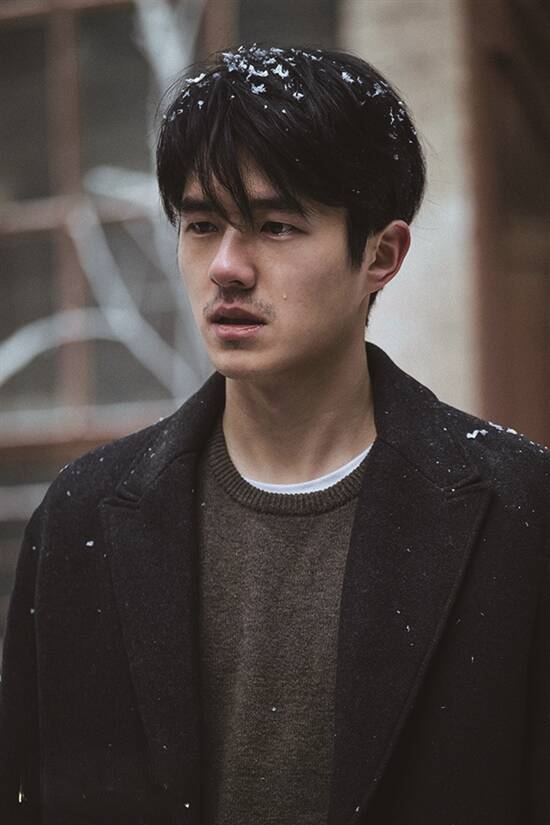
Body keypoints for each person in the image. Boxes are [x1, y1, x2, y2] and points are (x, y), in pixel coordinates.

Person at [1, 42, 549, 825]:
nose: (226, 265)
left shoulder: (520, 511)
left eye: (276, 225)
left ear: (382, 255)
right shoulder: (80, 518)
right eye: (201, 224)